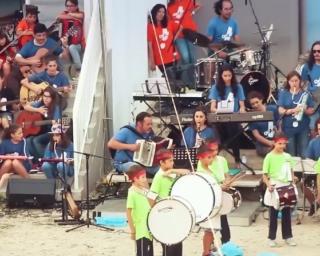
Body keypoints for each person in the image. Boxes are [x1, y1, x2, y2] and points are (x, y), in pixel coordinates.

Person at [149, 149, 189, 256]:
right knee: (169, 248)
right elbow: (151, 196)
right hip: (165, 215)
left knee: (177, 244)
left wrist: (172, 171)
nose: (172, 163)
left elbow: (188, 172)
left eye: (172, 160)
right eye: (170, 161)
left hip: (175, 213)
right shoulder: (159, 177)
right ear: (162, 162)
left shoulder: (170, 173)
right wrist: (157, 213)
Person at [196, 143, 231, 255]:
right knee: (209, 231)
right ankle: (206, 252)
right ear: (200, 158)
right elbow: (206, 189)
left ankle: (208, 251)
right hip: (208, 205)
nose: (211, 159)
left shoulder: (209, 170)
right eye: (209, 157)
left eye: (211, 157)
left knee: (212, 230)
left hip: (214, 203)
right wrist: (219, 187)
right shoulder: (201, 172)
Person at [262, 135, 297, 247]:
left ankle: (288, 236)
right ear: (274, 143)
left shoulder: (287, 156)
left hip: (286, 185)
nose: (282, 146)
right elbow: (264, 175)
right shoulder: (269, 157)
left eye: (284, 143)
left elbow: (291, 171)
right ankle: (271, 238)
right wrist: (269, 185)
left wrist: (293, 180)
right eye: (280, 143)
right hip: (275, 185)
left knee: (287, 213)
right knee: (273, 214)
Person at [209, 64, 245, 167]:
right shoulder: (215, 88)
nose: (228, 78)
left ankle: (237, 161)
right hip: (220, 118)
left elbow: (242, 105)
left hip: (233, 118)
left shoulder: (238, 87)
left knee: (234, 133)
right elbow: (212, 107)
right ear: (221, 76)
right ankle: (215, 160)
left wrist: (242, 110)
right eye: (225, 76)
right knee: (217, 136)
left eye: (229, 75)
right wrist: (218, 110)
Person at [278, 70, 314, 157]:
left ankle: (304, 170)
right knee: (291, 154)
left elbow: (311, 110)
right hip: (288, 128)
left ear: (300, 81)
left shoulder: (306, 94)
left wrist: (304, 110)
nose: (294, 83)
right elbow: (280, 110)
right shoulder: (283, 93)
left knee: (304, 153)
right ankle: (293, 170)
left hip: (303, 128)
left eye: (296, 81)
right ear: (288, 82)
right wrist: (291, 111)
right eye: (292, 81)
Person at [23, 86, 62, 159]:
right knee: (28, 140)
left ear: (52, 98)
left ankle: (45, 159)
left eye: (48, 97)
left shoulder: (56, 107)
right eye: (44, 96)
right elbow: (26, 106)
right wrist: (37, 110)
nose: (46, 99)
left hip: (51, 132)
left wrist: (53, 123)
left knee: (36, 140)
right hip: (40, 131)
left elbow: (56, 123)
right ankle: (36, 161)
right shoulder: (40, 103)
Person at [167, 0, 199, 85]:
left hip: (190, 31)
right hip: (178, 34)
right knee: (185, 57)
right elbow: (169, 22)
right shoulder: (169, 7)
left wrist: (192, 13)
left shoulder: (187, 1)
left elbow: (198, 5)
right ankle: (188, 80)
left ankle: (195, 80)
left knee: (193, 57)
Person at [126, 164, 154, 256]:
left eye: (145, 177)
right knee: (142, 253)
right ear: (135, 178)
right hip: (141, 230)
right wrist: (133, 231)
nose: (145, 179)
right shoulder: (132, 192)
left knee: (149, 252)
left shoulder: (144, 190)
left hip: (148, 227)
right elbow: (129, 213)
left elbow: (152, 203)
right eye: (142, 177)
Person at [148, 4, 179, 74]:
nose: (161, 14)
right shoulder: (150, 27)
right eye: (159, 12)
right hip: (160, 59)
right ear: (155, 12)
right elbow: (150, 45)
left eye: (163, 12)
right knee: (168, 80)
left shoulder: (169, 24)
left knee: (176, 81)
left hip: (173, 57)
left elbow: (181, 27)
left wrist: (174, 39)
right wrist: (152, 61)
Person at [247, 90, 279, 157]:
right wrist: (270, 143)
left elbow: (279, 123)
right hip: (263, 144)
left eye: (257, 102)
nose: (255, 105)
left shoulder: (272, 109)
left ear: (261, 100)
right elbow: (257, 135)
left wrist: (278, 137)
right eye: (253, 104)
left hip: (275, 139)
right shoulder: (252, 116)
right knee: (271, 153)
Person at [57, 0, 85, 74]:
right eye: (67, 6)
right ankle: (67, 73)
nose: (69, 8)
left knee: (72, 47)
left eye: (71, 6)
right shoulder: (64, 13)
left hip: (78, 45)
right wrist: (71, 15)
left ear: (76, 6)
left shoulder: (81, 13)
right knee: (61, 54)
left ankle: (79, 68)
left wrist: (70, 15)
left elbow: (81, 16)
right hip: (65, 43)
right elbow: (59, 16)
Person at [301, 41, 320, 130]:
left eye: (319, 51)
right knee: (313, 129)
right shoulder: (306, 67)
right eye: (314, 51)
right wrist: (305, 106)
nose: (316, 53)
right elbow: (302, 86)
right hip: (313, 104)